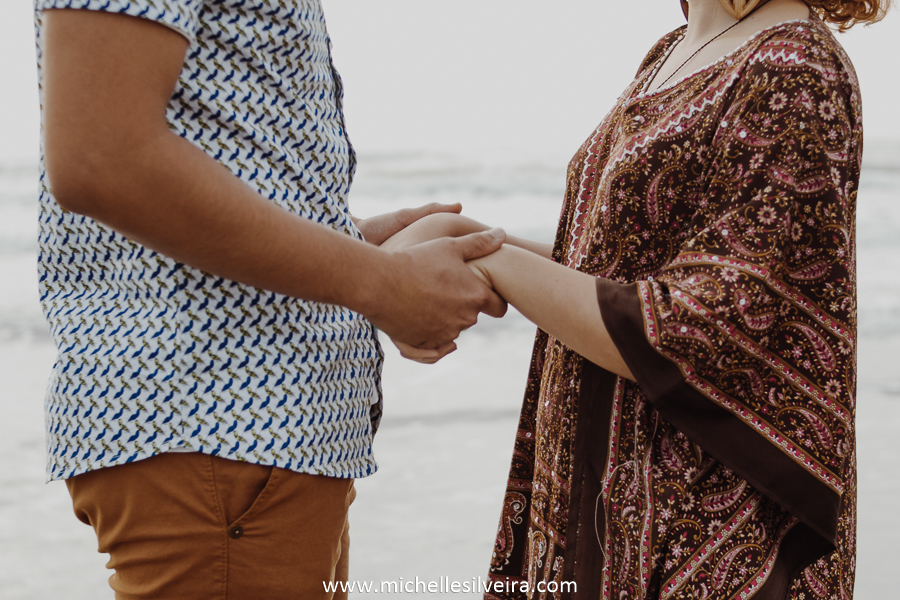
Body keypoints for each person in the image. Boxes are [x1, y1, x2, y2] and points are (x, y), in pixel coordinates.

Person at [383, 0, 887, 597]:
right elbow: (618, 268)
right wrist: (469, 243)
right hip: (591, 492)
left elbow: (703, 325)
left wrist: (492, 262)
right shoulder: (671, 52)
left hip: (694, 523)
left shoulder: (793, 64)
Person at [34, 1, 508, 599]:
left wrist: (346, 240)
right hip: (217, 422)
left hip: (257, 439)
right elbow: (102, 159)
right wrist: (384, 285)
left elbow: (206, 154)